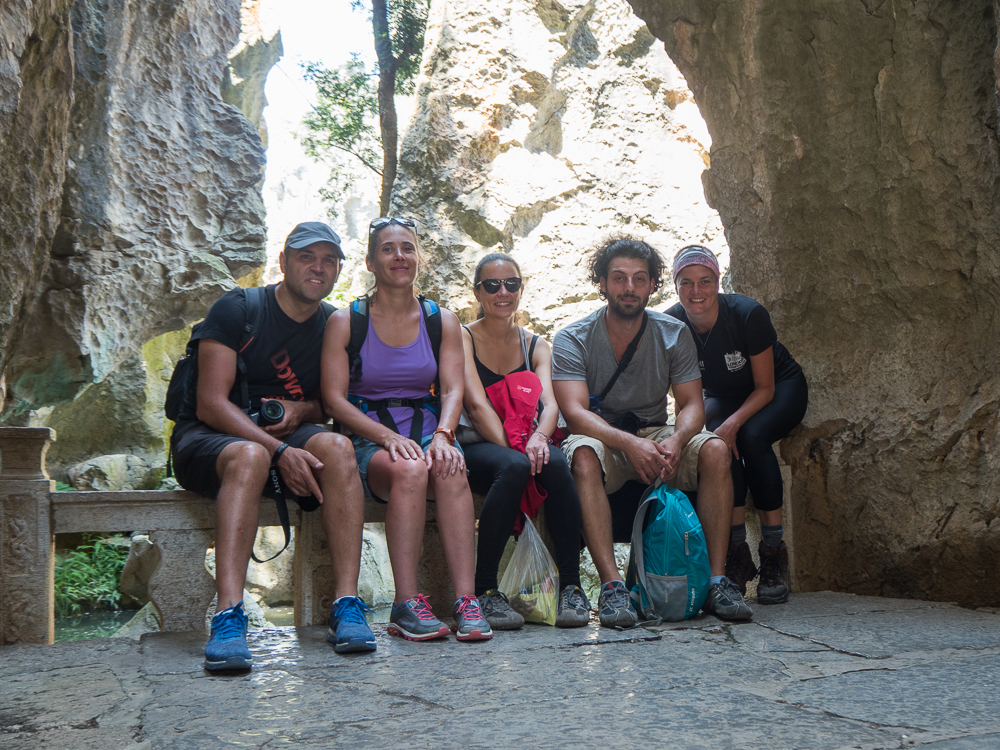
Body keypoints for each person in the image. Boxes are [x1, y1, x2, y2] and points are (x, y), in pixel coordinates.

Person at [170, 221, 375, 672]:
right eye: (306, 257)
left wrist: (300, 412)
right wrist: (278, 452)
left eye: (329, 260)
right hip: (208, 437)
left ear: (339, 271)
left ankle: (346, 604)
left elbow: (330, 404)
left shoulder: (333, 325)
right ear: (283, 262)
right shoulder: (238, 309)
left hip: (282, 437)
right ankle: (228, 616)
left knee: (339, 449)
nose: (318, 268)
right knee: (251, 455)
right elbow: (210, 403)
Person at [551, 235, 753, 628]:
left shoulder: (672, 332)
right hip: (604, 436)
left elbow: (692, 404)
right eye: (619, 278)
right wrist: (629, 443)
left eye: (639, 279)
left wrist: (676, 440)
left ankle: (715, 581)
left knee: (714, 449)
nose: (629, 287)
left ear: (653, 285)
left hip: (658, 432)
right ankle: (612, 588)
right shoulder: (573, 337)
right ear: (602, 282)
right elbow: (574, 413)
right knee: (583, 455)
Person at [321, 216, 492, 642]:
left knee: (451, 466)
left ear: (419, 258)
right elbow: (334, 400)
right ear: (370, 262)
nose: (400, 256)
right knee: (410, 469)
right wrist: (388, 438)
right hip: (370, 438)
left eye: (407, 248)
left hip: (428, 431)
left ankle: (466, 601)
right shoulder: (346, 321)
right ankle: (405, 603)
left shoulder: (441, 320)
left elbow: (453, 389)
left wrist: (444, 435)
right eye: (388, 249)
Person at [667, 245, 807, 604]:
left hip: (777, 388)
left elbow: (765, 388)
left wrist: (732, 424)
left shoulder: (747, 314)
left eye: (705, 281)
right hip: (722, 395)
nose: (696, 291)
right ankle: (737, 552)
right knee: (714, 445)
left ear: (718, 282)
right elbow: (684, 397)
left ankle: (773, 551)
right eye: (686, 282)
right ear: (675, 286)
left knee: (751, 436)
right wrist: (695, 434)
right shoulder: (670, 325)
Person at [460, 252, 590, 630]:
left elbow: (550, 404)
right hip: (478, 444)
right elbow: (476, 406)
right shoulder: (462, 337)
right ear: (477, 292)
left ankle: (571, 586)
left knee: (557, 461)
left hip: (525, 440)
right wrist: (521, 449)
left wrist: (539, 439)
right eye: (492, 285)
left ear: (521, 288)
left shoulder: (536, 345)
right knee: (516, 465)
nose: (503, 292)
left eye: (511, 284)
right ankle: (486, 591)